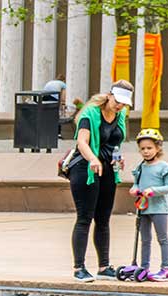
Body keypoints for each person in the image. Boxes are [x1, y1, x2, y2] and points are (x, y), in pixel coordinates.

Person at [66, 81, 133, 282]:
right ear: (109, 95)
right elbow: (82, 142)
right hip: (85, 168)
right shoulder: (90, 113)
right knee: (84, 218)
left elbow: (115, 143)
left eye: (124, 103)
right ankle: (79, 268)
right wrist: (93, 159)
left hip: (107, 169)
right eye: (117, 101)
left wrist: (118, 157)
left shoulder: (120, 115)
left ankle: (104, 266)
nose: (120, 105)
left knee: (103, 219)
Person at [129, 128, 168, 281]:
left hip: (159, 209)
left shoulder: (164, 167)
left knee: (162, 238)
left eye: (149, 148)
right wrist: (134, 189)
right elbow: (136, 183)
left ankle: (165, 268)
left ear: (158, 148)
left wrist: (153, 190)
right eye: (142, 148)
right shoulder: (140, 167)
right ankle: (144, 267)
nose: (146, 151)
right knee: (145, 240)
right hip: (143, 208)